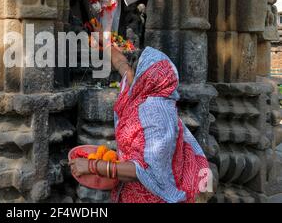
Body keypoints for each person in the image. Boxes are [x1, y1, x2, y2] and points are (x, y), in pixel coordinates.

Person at [69, 42, 210, 203]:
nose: (131, 75)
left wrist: (92, 166)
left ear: (145, 78)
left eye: (136, 71)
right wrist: (105, 41)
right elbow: (121, 64)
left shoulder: (157, 114)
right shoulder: (140, 90)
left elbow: (146, 170)